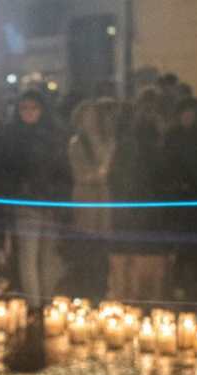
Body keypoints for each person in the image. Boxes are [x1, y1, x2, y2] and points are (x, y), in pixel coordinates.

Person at [0, 89, 71, 305]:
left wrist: (58, 196)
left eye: (34, 108)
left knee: (47, 258)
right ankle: (34, 306)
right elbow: (5, 170)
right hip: (26, 204)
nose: (28, 113)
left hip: (50, 204)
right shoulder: (12, 136)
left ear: (43, 110)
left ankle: (45, 304)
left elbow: (63, 172)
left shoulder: (54, 135)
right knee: (28, 257)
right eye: (24, 108)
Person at [109, 87, 166, 301]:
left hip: (153, 204)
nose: (149, 112)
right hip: (135, 203)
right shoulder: (130, 140)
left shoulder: (161, 138)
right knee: (134, 253)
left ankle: (151, 297)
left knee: (151, 254)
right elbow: (121, 173)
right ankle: (131, 297)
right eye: (145, 106)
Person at [161, 96, 197, 299]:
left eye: (191, 112)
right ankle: (177, 281)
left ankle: (195, 282)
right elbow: (167, 163)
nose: (188, 116)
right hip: (178, 197)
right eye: (185, 112)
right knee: (180, 241)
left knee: (195, 242)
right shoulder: (173, 135)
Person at [68, 98, 120, 300]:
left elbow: (108, 166)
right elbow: (80, 174)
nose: (90, 121)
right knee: (86, 247)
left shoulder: (107, 141)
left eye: (92, 116)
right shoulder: (76, 143)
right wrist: (98, 174)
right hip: (86, 200)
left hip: (103, 200)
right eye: (85, 117)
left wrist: (100, 172)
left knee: (102, 249)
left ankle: (100, 291)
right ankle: (85, 291)